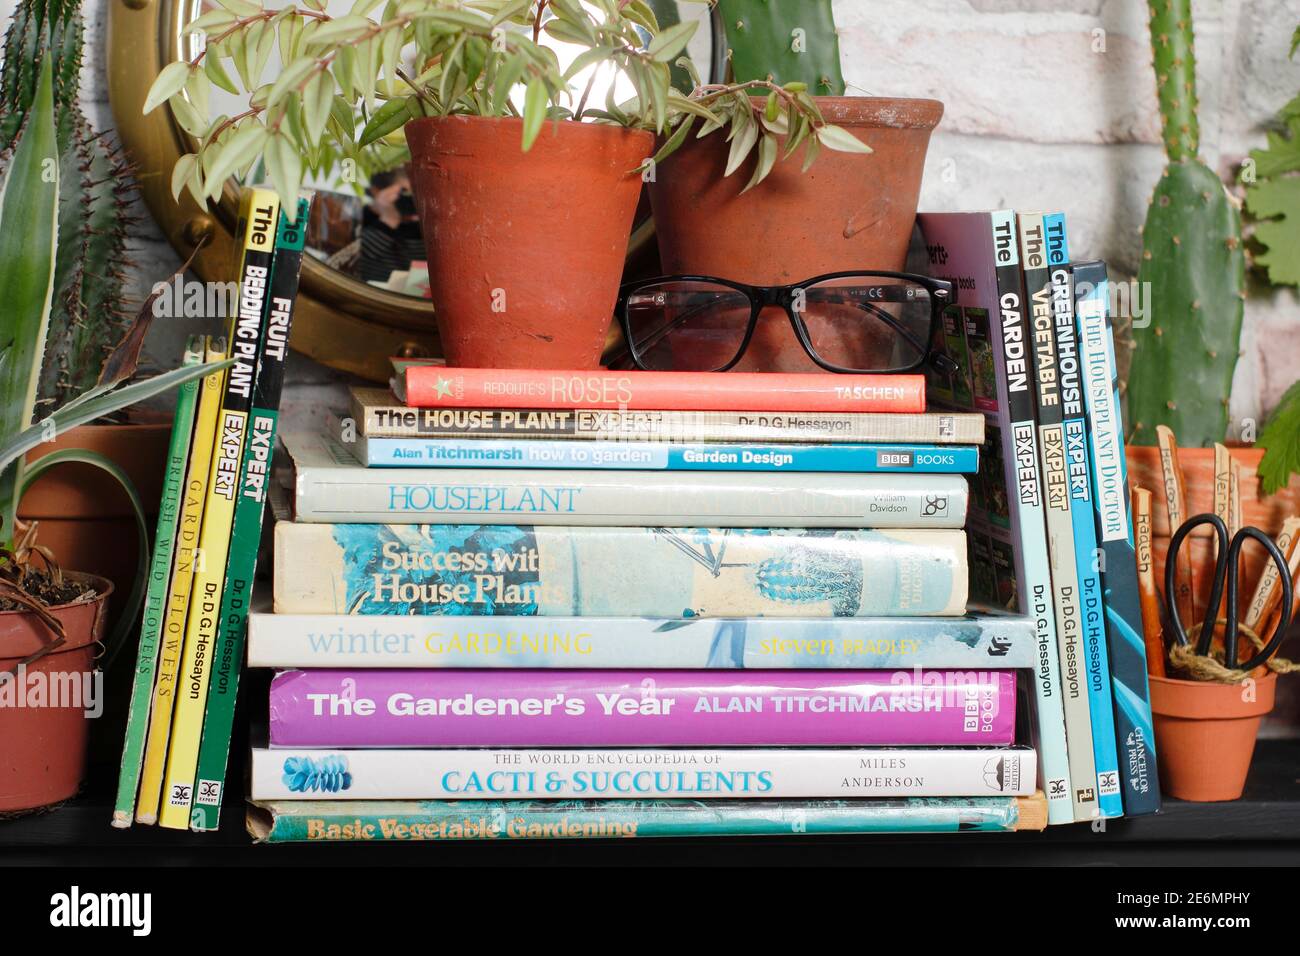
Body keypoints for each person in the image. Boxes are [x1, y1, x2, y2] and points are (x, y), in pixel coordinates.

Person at [357, 169, 426, 285]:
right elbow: (359, 258)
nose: (413, 199)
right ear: (376, 191)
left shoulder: (423, 224)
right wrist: (388, 219)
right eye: (404, 192)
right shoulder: (362, 217)